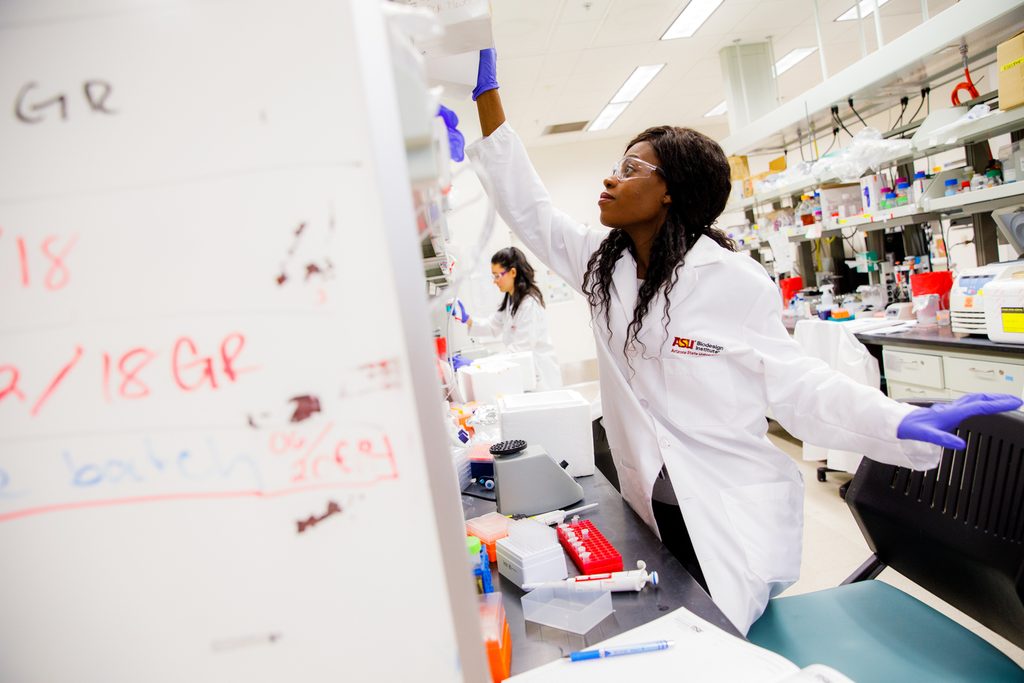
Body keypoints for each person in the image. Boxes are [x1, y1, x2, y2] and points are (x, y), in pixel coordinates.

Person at [463, 48, 1023, 634]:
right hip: (644, 489)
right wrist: (486, 99)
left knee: (714, 637)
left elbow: (796, 381)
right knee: (659, 625)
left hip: (718, 502)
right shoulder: (603, 264)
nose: (611, 178)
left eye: (631, 169)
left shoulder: (729, 280)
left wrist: (896, 420)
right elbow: (529, 208)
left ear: (671, 192)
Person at [451, 246, 563, 390]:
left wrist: (477, 364)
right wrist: (467, 319)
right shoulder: (511, 299)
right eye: (494, 276)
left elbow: (519, 350)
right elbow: (493, 326)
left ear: (513, 272)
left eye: (497, 275)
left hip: (541, 377)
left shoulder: (529, 304)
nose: (494, 281)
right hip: (527, 373)